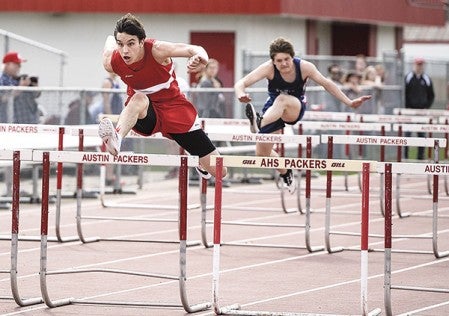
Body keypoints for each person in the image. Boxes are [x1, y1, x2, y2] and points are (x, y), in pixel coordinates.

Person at [98, 13, 227, 179]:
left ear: (142, 42)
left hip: (175, 110)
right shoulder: (113, 61)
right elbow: (108, 50)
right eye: (120, 44)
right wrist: (111, 40)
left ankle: (200, 163)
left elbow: (191, 49)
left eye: (131, 44)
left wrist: (201, 57)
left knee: (220, 171)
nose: (125, 51)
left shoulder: (157, 50)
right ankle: (117, 138)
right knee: (138, 98)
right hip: (146, 113)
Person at [234, 37, 371, 193]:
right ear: (273, 61)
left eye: (287, 59)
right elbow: (241, 83)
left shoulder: (305, 67)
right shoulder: (268, 68)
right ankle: (286, 172)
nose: (284, 63)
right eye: (279, 61)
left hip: (295, 107)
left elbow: (327, 84)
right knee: (262, 154)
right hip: (272, 110)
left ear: (293, 57)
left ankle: (258, 123)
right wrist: (240, 94)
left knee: (282, 99)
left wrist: (349, 102)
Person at [404, 57, 435, 160]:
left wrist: (426, 107)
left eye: (421, 65)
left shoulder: (426, 79)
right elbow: (404, 94)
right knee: (407, 135)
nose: (419, 67)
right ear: (414, 65)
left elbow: (431, 95)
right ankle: (405, 157)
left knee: (422, 135)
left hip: (421, 112)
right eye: (418, 64)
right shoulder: (408, 77)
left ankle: (420, 158)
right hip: (409, 112)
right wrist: (407, 107)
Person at [0, 52, 26, 123]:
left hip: (17, 121)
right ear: (7, 64)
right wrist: (20, 88)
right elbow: (3, 99)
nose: (19, 66)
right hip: (3, 121)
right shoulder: (1, 79)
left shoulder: (17, 79)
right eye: (16, 64)